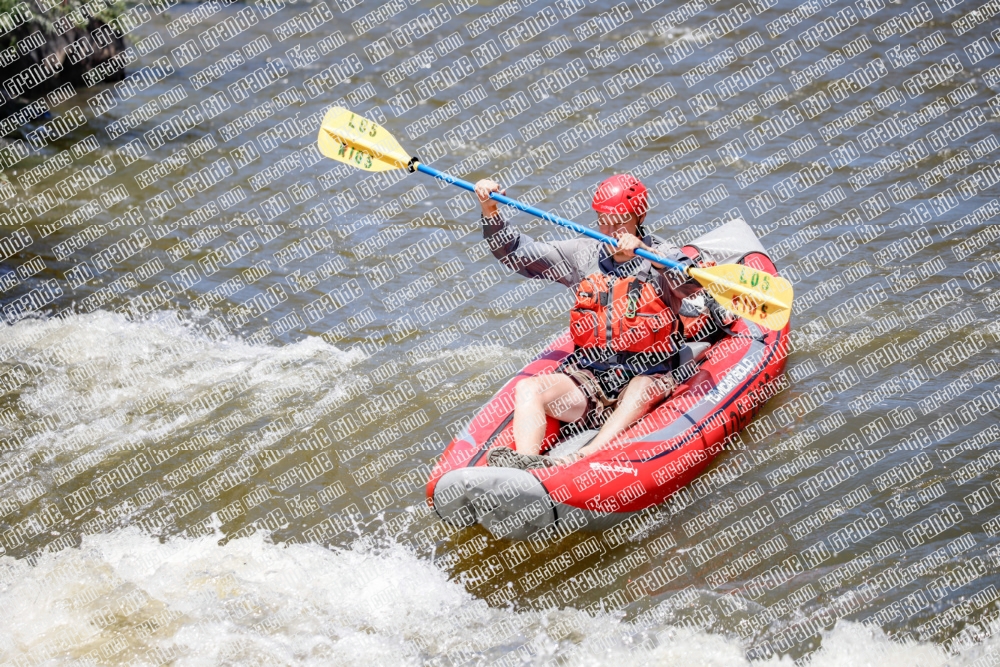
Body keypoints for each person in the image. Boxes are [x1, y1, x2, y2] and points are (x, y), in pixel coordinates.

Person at [476, 174, 734, 470]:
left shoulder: (661, 255)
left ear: (640, 216)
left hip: (650, 375)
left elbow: (691, 285)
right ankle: (524, 466)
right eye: (603, 220)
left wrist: (648, 254)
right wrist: (490, 210)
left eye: (620, 220)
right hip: (593, 379)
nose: (611, 230)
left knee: (639, 387)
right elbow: (515, 253)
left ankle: (585, 455)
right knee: (528, 389)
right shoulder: (581, 254)